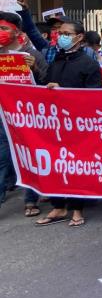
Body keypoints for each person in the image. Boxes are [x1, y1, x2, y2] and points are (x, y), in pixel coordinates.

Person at [34, 19, 102, 227]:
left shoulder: (89, 64)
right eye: (59, 32)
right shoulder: (57, 60)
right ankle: (58, 206)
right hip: (54, 125)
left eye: (65, 33)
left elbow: (94, 96)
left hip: (78, 126)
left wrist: (63, 92)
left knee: (75, 168)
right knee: (55, 166)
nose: (60, 36)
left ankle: (77, 209)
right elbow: (46, 85)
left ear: (79, 37)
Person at [0, 11, 48, 217]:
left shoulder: (31, 54)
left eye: (3, 28)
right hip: (2, 116)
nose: (0, 32)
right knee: (3, 157)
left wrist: (34, 68)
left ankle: (31, 199)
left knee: (27, 154)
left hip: (26, 115)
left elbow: (47, 81)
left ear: (16, 31)